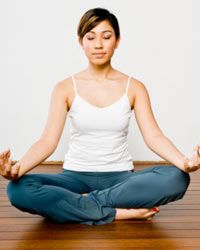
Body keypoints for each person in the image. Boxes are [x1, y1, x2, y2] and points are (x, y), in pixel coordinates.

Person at [0, 7, 200, 226]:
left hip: (121, 179)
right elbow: (47, 141)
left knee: (178, 178)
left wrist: (184, 162)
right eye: (90, 37)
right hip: (73, 177)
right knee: (17, 189)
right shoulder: (64, 88)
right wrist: (17, 169)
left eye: (106, 37)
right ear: (80, 42)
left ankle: (83, 205)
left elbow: (154, 137)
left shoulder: (134, 87)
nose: (98, 44)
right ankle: (116, 213)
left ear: (117, 41)